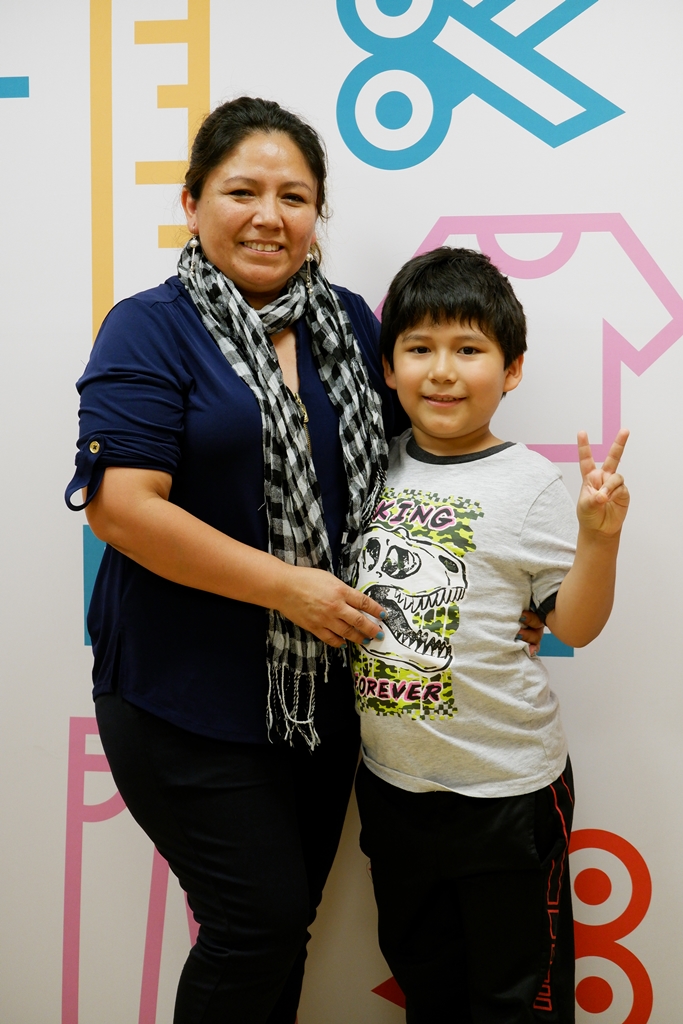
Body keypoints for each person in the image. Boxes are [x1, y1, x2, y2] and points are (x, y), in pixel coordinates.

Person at [65, 97, 545, 1022]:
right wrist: (291, 590)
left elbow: (423, 463)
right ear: (192, 202)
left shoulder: (351, 324)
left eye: (293, 196)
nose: (268, 216)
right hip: (182, 694)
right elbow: (123, 510)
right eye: (241, 191)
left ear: (318, 214)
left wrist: (495, 592)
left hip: (322, 699)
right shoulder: (150, 327)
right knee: (257, 923)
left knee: (283, 932)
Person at [351, 247, 630, 1023]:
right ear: (388, 367)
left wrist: (598, 539)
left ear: (510, 370)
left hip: (506, 793)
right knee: (426, 984)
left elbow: (573, 624)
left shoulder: (530, 485)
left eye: (468, 350)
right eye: (419, 348)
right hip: (394, 788)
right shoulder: (371, 469)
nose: (442, 371)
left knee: (517, 997)